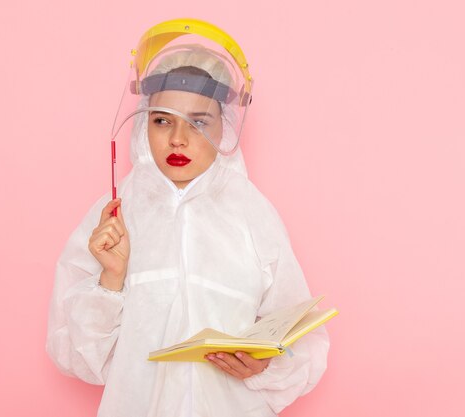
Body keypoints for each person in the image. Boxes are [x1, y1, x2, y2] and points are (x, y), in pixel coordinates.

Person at [46, 18, 330, 417]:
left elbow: (304, 333)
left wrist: (268, 364)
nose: (178, 139)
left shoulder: (251, 212)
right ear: (144, 122)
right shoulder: (112, 218)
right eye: (162, 120)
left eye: (199, 122)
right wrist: (111, 280)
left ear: (226, 126)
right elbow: (75, 357)